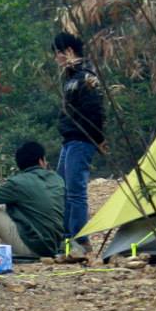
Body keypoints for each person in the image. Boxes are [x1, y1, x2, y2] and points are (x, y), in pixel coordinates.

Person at [52, 31, 105, 251]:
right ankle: (66, 239)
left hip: (81, 139)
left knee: (75, 190)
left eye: (58, 53)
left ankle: (80, 240)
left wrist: (98, 139)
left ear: (69, 52)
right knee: (63, 188)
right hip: (70, 139)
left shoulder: (86, 78)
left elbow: (95, 112)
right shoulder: (72, 78)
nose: (56, 59)